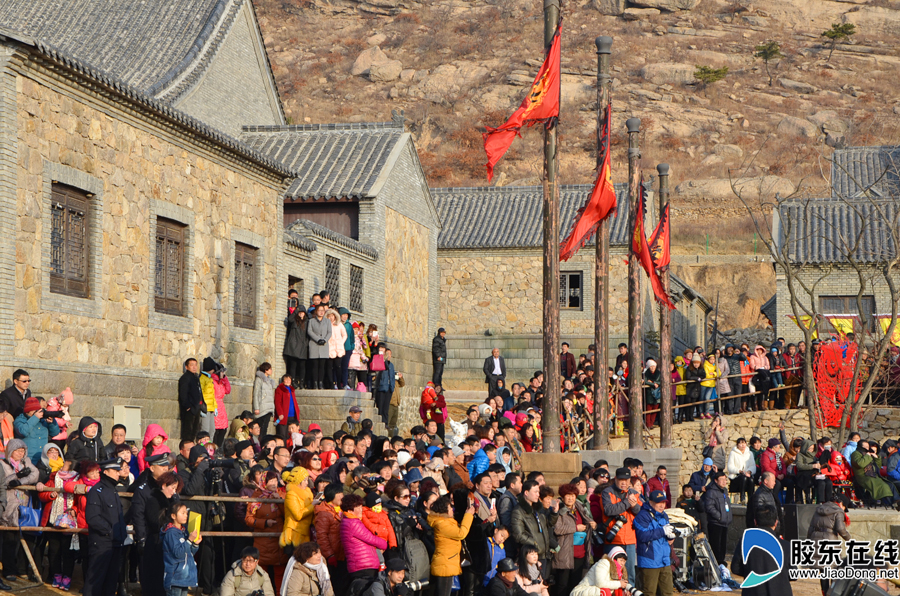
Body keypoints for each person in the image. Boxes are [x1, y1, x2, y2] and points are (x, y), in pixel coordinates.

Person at [83, 458, 128, 596]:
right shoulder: (97, 491)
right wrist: (110, 531)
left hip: (115, 542)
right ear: (106, 471)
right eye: (115, 471)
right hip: (102, 542)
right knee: (96, 580)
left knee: (110, 581)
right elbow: (93, 517)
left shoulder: (112, 490)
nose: (118, 474)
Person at [731, 508, 792, 596]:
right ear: (776, 523)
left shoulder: (745, 541)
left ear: (755, 522)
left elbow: (735, 568)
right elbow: (793, 575)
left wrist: (751, 572)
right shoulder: (787, 546)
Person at [598, 468, 642, 583]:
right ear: (615, 479)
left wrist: (634, 506)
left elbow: (642, 513)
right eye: (621, 480)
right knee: (611, 573)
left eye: (627, 480)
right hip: (613, 539)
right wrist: (627, 502)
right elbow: (609, 510)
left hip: (630, 540)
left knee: (630, 573)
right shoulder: (607, 492)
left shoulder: (635, 494)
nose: (624, 483)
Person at [553, 483, 594, 596]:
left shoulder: (579, 508)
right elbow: (557, 529)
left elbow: (586, 519)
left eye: (573, 495)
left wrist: (591, 524)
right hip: (565, 553)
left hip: (579, 552)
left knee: (575, 585)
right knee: (562, 585)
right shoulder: (559, 510)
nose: (571, 498)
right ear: (562, 496)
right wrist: (575, 528)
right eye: (568, 495)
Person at [429, 494, 474, 596]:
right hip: (445, 565)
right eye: (450, 508)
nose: (452, 510)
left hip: (447, 563)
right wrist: (468, 515)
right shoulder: (442, 524)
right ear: (444, 511)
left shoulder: (446, 522)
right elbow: (461, 533)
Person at [807, 493, 851, 596]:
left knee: (823, 571)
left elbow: (810, 527)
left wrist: (809, 542)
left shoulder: (819, 508)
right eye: (845, 507)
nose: (844, 509)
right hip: (830, 541)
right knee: (834, 570)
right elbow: (840, 528)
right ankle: (833, 593)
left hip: (816, 540)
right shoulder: (838, 511)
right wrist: (848, 538)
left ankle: (825, 593)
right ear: (841, 503)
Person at [633, 490, 674, 596]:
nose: (662, 505)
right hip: (649, 561)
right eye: (659, 502)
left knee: (668, 592)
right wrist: (662, 531)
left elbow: (664, 531)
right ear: (651, 502)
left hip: (664, 560)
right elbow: (642, 536)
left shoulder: (664, 515)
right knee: (649, 592)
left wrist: (670, 537)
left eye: (664, 503)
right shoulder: (642, 516)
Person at [341, 493, 388, 581]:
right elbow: (371, 538)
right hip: (362, 565)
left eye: (361, 506)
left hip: (363, 564)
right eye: (358, 507)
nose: (361, 509)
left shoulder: (349, 521)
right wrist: (384, 544)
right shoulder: (352, 523)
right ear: (350, 511)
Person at [162, 501, 201, 596]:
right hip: (175, 577)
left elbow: (190, 553)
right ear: (173, 516)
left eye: (186, 513)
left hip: (185, 577)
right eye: (182, 513)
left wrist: (195, 544)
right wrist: (189, 541)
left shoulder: (184, 531)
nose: (186, 516)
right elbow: (178, 553)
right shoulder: (171, 533)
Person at [14, 396, 60, 463]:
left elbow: (55, 433)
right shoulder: (20, 420)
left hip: (42, 458)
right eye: (34, 410)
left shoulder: (42, 420)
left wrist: (52, 423)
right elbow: (23, 432)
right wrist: (35, 418)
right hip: (27, 459)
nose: (37, 412)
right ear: (28, 411)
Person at [700, 471, 732, 567]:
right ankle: (716, 564)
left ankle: (721, 562)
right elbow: (709, 507)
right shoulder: (711, 492)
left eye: (725, 479)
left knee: (723, 545)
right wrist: (719, 516)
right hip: (715, 522)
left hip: (724, 523)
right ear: (716, 481)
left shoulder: (725, 491)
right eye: (721, 480)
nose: (724, 482)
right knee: (716, 546)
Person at [307, 303, 333, 390]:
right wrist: (317, 339)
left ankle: (320, 383)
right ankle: (315, 383)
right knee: (314, 365)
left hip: (324, 345)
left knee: (322, 365)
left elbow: (329, 332)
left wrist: (325, 340)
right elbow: (309, 331)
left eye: (323, 311)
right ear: (316, 311)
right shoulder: (311, 321)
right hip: (314, 344)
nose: (321, 312)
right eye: (320, 310)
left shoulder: (327, 321)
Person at [284, 306, 309, 390]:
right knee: (293, 365)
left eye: (302, 312)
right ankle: (293, 381)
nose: (301, 314)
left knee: (302, 365)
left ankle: (302, 382)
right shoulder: (294, 320)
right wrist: (296, 311)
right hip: (293, 346)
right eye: (300, 312)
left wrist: (306, 343)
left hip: (303, 346)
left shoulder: (307, 322)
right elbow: (289, 319)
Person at [178, 358, 203, 441]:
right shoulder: (185, 378)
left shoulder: (195, 377)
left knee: (194, 431)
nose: (194, 367)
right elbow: (183, 393)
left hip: (196, 408)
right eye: (191, 365)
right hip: (189, 409)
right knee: (187, 432)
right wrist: (187, 406)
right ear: (186, 367)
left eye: (196, 365)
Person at [726, 437, 757, 505]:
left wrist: (749, 471)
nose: (742, 445)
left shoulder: (750, 453)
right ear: (737, 445)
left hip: (747, 475)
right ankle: (742, 498)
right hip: (736, 477)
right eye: (740, 443)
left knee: (751, 480)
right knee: (743, 478)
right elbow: (730, 467)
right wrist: (739, 471)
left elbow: (753, 466)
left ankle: (751, 500)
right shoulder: (733, 453)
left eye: (744, 443)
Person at [325, 309, 347, 390]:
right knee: (329, 367)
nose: (331, 317)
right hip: (329, 348)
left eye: (332, 316)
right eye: (329, 316)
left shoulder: (339, 324)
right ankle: (331, 384)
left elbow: (345, 335)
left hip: (338, 348)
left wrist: (341, 342)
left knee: (338, 367)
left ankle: (339, 384)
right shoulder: (326, 325)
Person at [374, 348, 397, 425]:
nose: (389, 356)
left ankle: (385, 423)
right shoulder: (382, 363)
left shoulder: (391, 365)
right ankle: (380, 421)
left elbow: (392, 377)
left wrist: (392, 386)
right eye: (387, 354)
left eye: (390, 354)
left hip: (389, 388)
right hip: (382, 387)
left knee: (386, 408)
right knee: (380, 406)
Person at [274, 375, 301, 441]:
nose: (288, 381)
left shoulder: (292, 390)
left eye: (289, 380)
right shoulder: (280, 389)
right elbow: (278, 402)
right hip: (283, 416)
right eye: (286, 380)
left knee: (292, 435)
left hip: (292, 415)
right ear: (283, 381)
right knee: (283, 434)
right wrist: (280, 413)